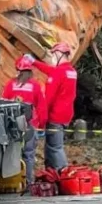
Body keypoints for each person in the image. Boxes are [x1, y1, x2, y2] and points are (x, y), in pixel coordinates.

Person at [24, 42, 76, 173]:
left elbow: (47, 99)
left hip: (55, 116)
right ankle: (51, 174)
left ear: (59, 54)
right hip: (66, 115)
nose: (52, 57)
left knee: (55, 147)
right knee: (51, 146)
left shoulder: (59, 73)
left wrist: (41, 119)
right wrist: (34, 62)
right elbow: (50, 71)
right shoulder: (70, 71)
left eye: (53, 54)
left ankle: (63, 173)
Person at [2, 56, 46, 188]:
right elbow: (42, 107)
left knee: (13, 154)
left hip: (12, 126)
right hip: (30, 125)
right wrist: (42, 125)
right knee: (29, 154)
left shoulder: (10, 85)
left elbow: (3, 103)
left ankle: (13, 182)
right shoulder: (35, 86)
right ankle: (28, 181)